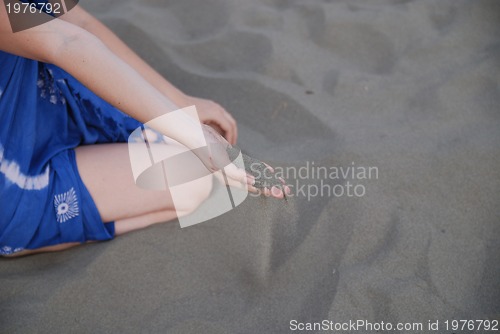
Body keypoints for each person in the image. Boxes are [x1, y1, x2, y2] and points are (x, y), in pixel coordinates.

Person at [0, 2, 286, 257]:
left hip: (44, 102)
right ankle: (24, 234)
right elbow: (65, 41)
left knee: (191, 154)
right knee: (194, 182)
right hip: (12, 165)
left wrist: (179, 102)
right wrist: (195, 134)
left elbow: (74, 20)